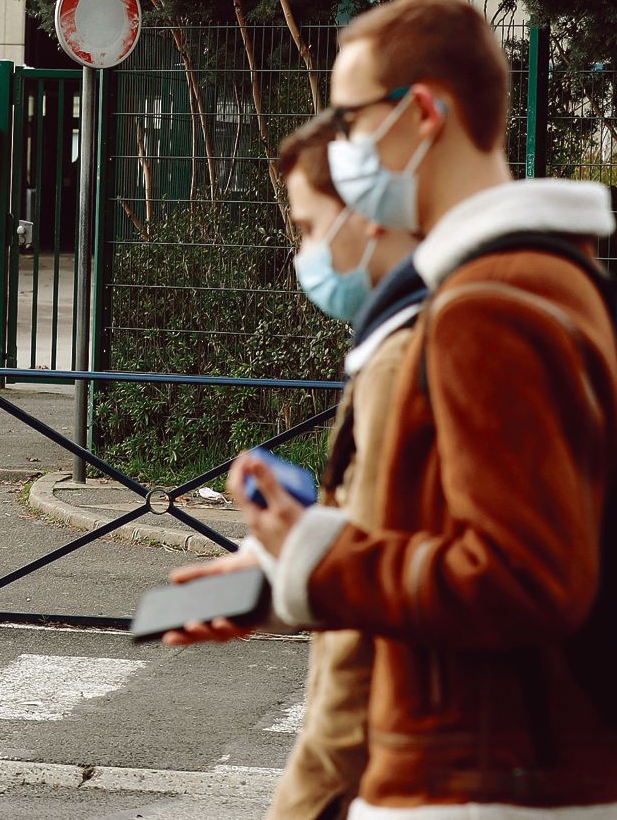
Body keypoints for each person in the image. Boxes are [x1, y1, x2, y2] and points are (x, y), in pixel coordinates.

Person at [207, 0, 617, 817]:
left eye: (350, 116)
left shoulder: (490, 307)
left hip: (481, 785)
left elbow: (526, 577)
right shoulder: (538, 281)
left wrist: (315, 561)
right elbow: (445, 532)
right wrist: (284, 569)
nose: (339, 143)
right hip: (510, 775)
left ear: (424, 112)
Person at [166, 117, 425, 820]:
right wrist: (276, 579)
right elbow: (388, 552)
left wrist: (306, 800)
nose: (302, 253)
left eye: (309, 228)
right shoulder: (408, 340)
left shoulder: (406, 361)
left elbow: (367, 630)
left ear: (366, 219)